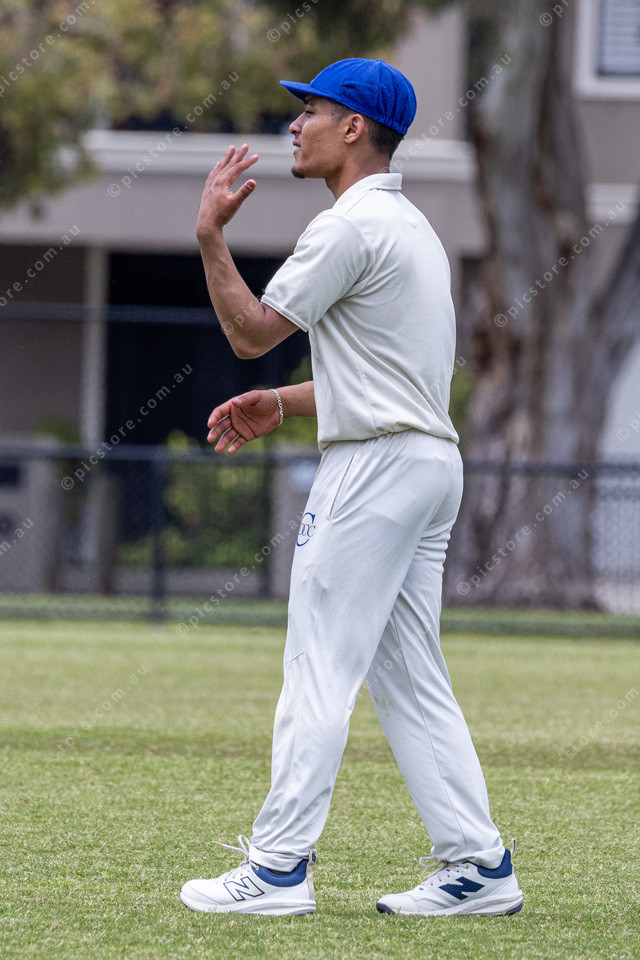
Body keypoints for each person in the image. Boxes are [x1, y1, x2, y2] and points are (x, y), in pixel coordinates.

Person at [179, 58, 523, 918]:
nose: (296, 125)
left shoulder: (348, 227)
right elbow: (390, 376)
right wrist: (285, 404)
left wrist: (211, 237)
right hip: (427, 465)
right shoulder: (412, 229)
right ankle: (479, 865)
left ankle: (277, 869)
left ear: (355, 127)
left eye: (312, 110)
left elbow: (251, 333)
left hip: (373, 471)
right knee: (409, 677)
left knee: (318, 665)